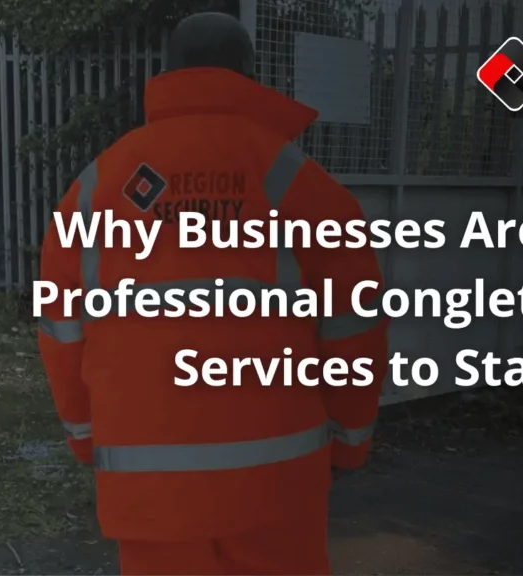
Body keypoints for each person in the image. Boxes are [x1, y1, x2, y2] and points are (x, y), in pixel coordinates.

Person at [36, 12, 389, 575]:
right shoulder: (305, 187)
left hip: (148, 492)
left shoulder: (96, 189)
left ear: (168, 73)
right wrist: (349, 443)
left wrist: (86, 438)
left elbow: (62, 330)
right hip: (277, 489)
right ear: (249, 74)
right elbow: (355, 330)